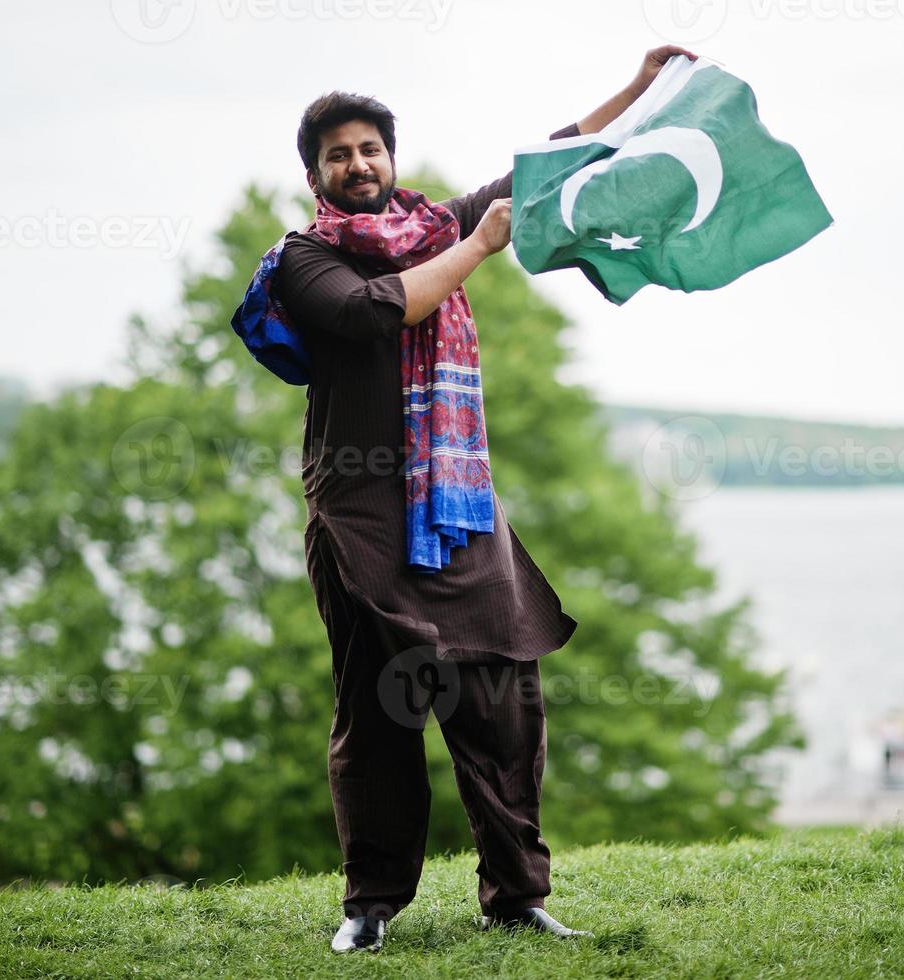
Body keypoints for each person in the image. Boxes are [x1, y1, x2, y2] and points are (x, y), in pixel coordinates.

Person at [262, 45, 697, 954]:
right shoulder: (303, 260)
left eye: (369, 148)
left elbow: (540, 170)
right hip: (363, 520)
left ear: (391, 156)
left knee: (503, 703)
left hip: (457, 510)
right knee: (379, 712)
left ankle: (516, 897)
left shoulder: (433, 226)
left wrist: (640, 88)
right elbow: (378, 311)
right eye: (337, 154)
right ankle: (369, 907)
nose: (357, 164)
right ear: (316, 176)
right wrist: (476, 247)